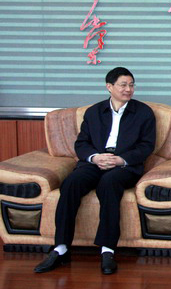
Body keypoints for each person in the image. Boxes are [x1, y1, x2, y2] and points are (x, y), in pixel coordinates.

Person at [34, 67, 156, 275]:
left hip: (124, 166)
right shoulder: (94, 112)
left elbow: (146, 146)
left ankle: (107, 250)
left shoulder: (143, 112)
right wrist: (95, 157)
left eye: (131, 85)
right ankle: (61, 248)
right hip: (95, 162)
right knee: (71, 183)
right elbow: (81, 143)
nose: (128, 89)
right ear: (109, 87)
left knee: (109, 183)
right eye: (123, 85)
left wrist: (120, 160)